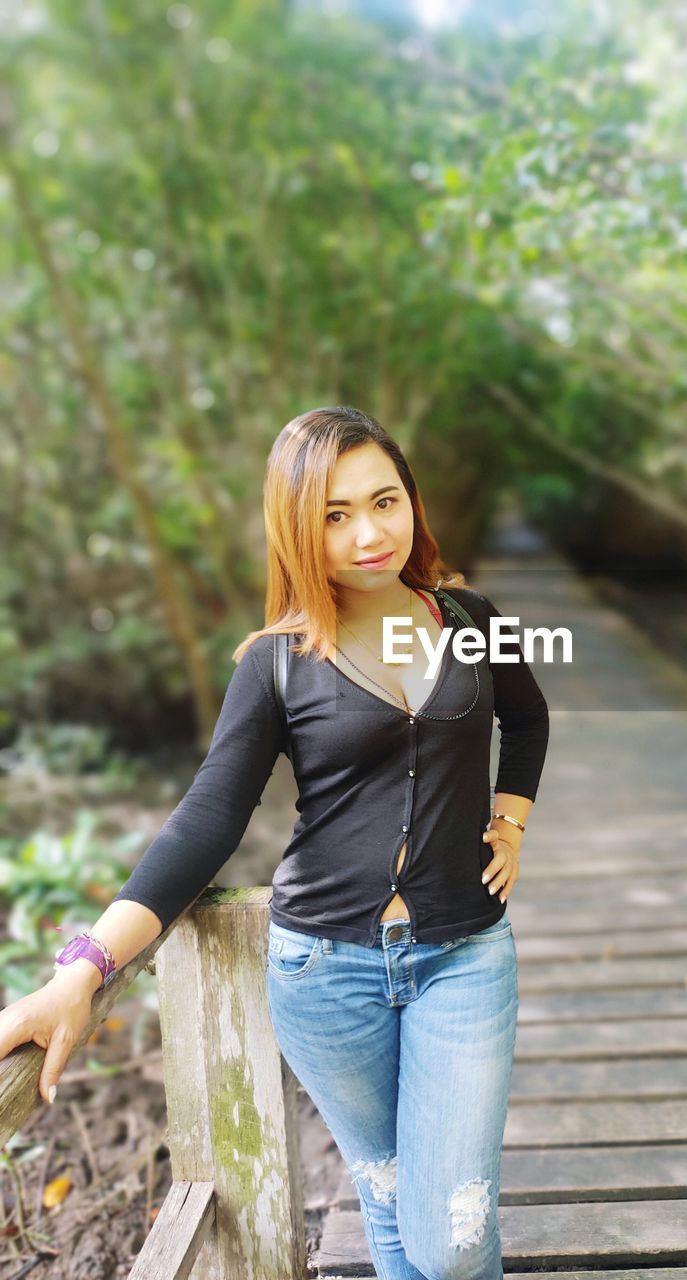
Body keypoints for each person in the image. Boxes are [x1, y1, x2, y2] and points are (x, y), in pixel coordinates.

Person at [0, 406, 550, 1280]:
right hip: (323, 974)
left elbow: (526, 716)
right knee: (387, 1190)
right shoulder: (277, 661)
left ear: (412, 500)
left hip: (464, 956)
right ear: (297, 525)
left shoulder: (466, 615)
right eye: (335, 514)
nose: (370, 533)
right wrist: (84, 969)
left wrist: (509, 820)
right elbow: (208, 817)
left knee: (452, 1232)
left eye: (385, 501)